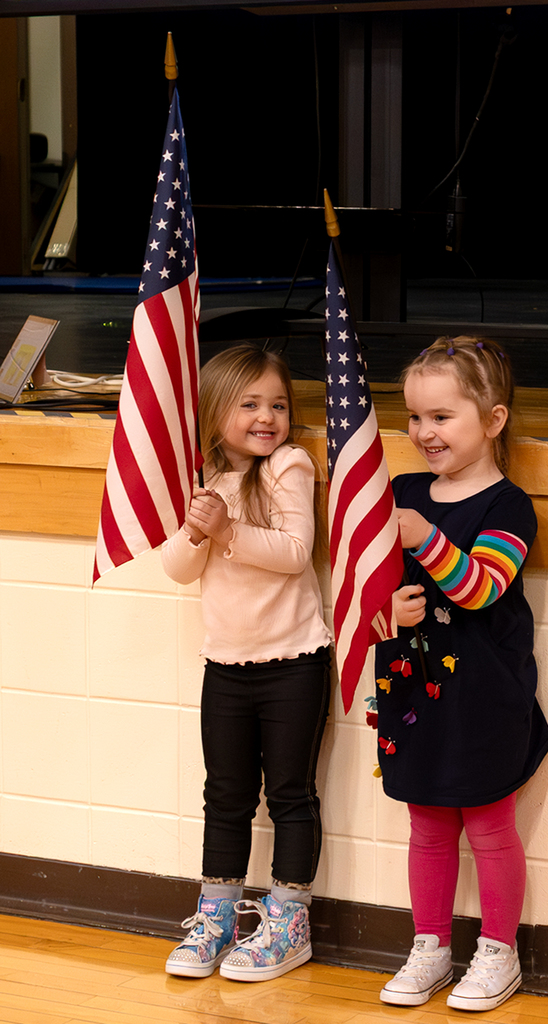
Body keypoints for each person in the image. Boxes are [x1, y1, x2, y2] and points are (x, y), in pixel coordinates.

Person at [373, 335, 548, 1012]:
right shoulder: (401, 492)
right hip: (415, 694)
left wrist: (423, 538)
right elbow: (367, 591)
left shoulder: (507, 507)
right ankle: (429, 945)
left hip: (483, 697)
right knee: (426, 823)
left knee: (487, 825)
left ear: (493, 419)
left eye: (441, 417)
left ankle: (498, 950)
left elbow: (481, 588)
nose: (423, 432)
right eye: (414, 417)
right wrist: (385, 605)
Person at [161, 344, 332, 982]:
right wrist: (200, 529)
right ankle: (218, 915)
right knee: (226, 796)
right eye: (250, 404)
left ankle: (289, 919)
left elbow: (293, 551)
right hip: (225, 667)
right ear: (214, 412)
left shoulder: (288, 464)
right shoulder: (205, 478)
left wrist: (227, 527)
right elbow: (178, 568)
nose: (268, 416)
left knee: (290, 793)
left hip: (293, 662)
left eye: (278, 404)